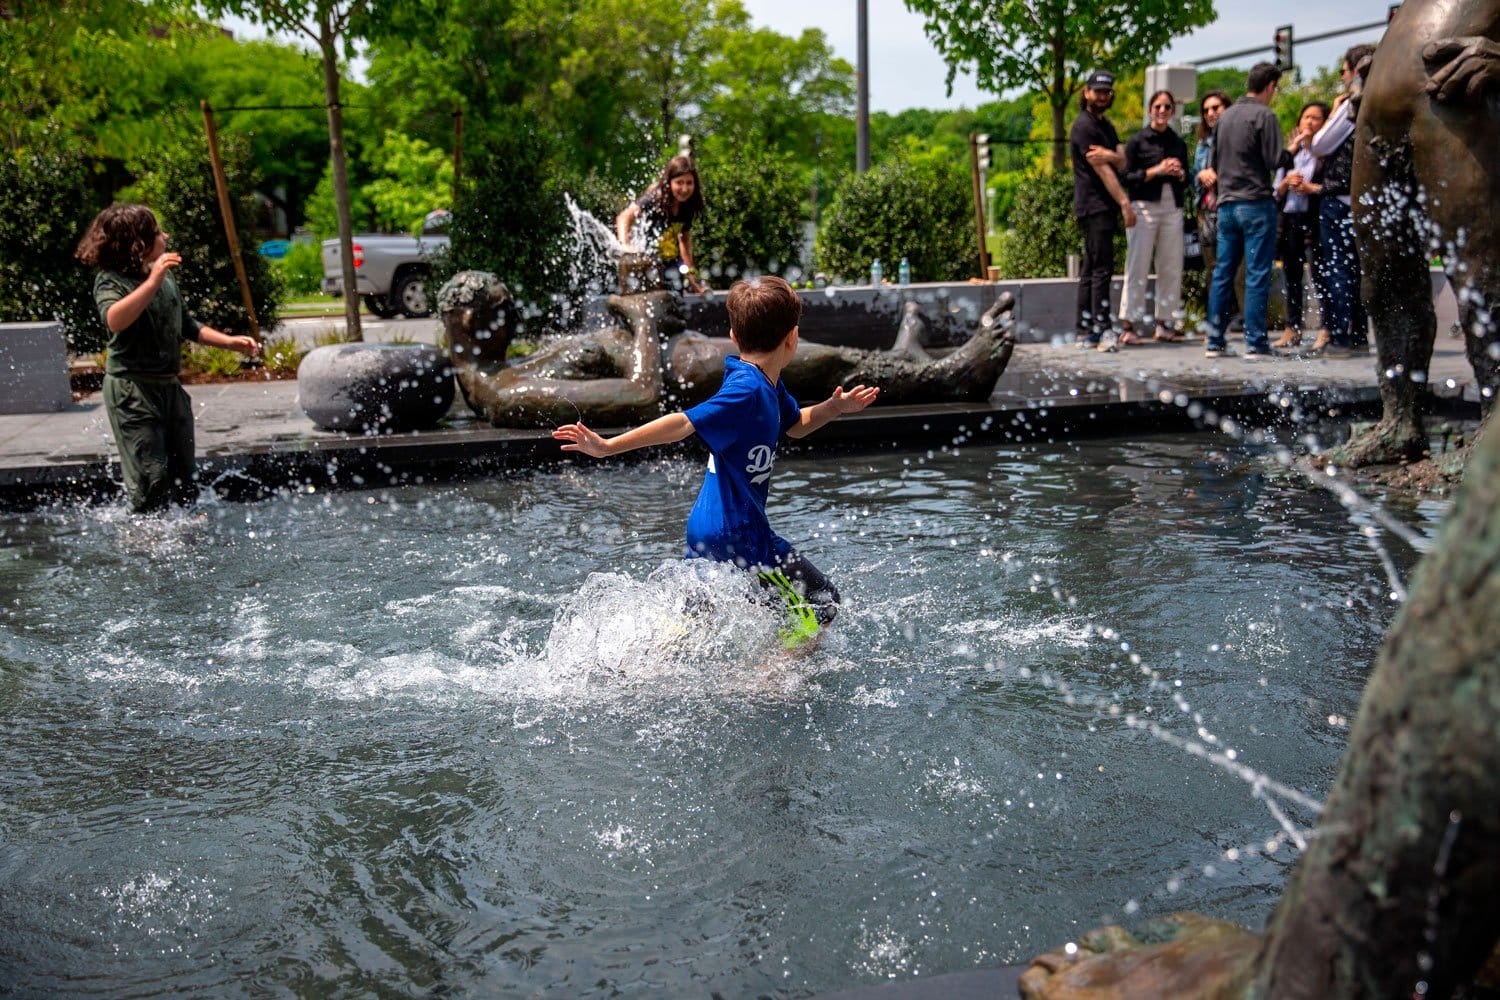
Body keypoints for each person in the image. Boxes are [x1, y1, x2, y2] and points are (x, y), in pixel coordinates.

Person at [552, 275, 878, 637]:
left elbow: (796, 424)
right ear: (793, 338)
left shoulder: (765, 382)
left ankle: (642, 658)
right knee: (822, 603)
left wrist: (833, 407)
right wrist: (608, 446)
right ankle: (774, 679)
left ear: (734, 337)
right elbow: (683, 423)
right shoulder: (747, 390)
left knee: (700, 623)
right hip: (741, 534)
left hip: (711, 529)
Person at [74, 204, 260, 514]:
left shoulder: (162, 278)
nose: (166, 235)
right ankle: (142, 540)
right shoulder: (110, 281)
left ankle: (183, 537)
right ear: (138, 243)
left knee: (183, 475)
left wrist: (230, 342)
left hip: (169, 388)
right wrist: (153, 281)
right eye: (158, 231)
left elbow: (187, 325)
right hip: (132, 390)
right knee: (152, 477)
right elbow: (115, 320)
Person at [1204, 62, 1285, 359]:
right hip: (1255, 203)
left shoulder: (1224, 119)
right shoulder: (1265, 115)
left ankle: (1214, 341)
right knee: (1256, 273)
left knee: (1223, 272)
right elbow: (1275, 159)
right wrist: (1294, 147)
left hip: (1226, 206)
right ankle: (1256, 343)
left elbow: (1213, 161)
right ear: (1270, 87)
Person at [1309, 44, 1377, 358]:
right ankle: (1360, 335)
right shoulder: (1383, 100)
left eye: (1343, 71)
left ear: (1354, 71)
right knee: (1360, 269)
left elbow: (1321, 145)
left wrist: (1337, 109)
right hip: (1369, 200)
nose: (1342, 77)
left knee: (1339, 269)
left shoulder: (1353, 104)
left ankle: (1340, 336)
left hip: (1339, 199)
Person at [1070, 69, 1137, 352]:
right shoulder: (1084, 126)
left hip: (1099, 205)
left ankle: (1085, 330)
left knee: (1090, 268)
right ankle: (1102, 329)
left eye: (1107, 92)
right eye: (1098, 91)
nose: (1102, 96)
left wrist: (1112, 155)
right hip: (1095, 204)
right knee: (1101, 269)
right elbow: (1105, 170)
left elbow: (1123, 159)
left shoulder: (1106, 127)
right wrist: (1124, 203)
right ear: (1086, 93)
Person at [1121, 90, 1190, 342]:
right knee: (1137, 264)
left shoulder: (1178, 142)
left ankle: (1165, 322)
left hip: (1172, 205)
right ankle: (1128, 324)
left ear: (1172, 111)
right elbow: (1127, 177)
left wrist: (1179, 173)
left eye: (1167, 107)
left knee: (1171, 265)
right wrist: (1157, 170)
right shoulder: (1137, 141)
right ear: (1150, 109)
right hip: (1144, 205)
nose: (1162, 111)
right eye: (1158, 106)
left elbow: (1187, 179)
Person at [1272, 101, 1330, 350]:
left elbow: (1331, 187)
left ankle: (1326, 328)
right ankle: (1292, 327)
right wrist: (1286, 182)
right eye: (1306, 117)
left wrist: (1309, 188)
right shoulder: (1291, 154)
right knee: (1291, 276)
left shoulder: (1326, 155)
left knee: (1319, 275)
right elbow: (1275, 190)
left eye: (1316, 118)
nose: (1309, 122)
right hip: (1290, 221)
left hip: (1314, 221)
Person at [616, 155, 708, 294]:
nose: (684, 189)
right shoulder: (654, 199)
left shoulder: (687, 206)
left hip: (671, 265)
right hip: (647, 263)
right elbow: (624, 217)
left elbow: (684, 241)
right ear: (669, 182)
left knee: (676, 300)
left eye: (689, 183)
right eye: (679, 182)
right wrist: (625, 245)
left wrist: (691, 277)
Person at [1192, 89, 1237, 327]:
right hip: (1208, 210)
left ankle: (1238, 315)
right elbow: (1193, 177)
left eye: (1216, 108)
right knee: (1213, 266)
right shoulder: (1202, 144)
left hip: (1231, 206)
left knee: (1236, 265)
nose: (1211, 113)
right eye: (1206, 110)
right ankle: (1218, 318)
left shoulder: (1236, 136)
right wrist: (1201, 174)